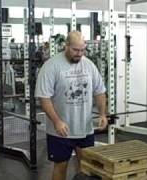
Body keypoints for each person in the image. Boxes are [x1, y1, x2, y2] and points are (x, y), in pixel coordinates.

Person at [35, 31, 107, 180]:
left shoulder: (89, 65)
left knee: (87, 166)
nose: (79, 54)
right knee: (61, 166)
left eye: (82, 50)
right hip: (61, 130)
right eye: (75, 50)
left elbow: (100, 91)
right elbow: (44, 97)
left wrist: (102, 114)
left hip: (85, 128)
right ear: (66, 46)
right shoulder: (51, 66)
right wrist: (56, 121)